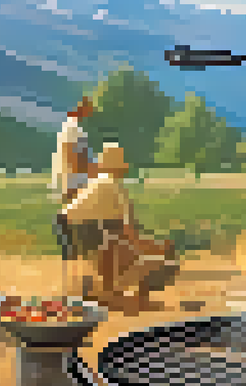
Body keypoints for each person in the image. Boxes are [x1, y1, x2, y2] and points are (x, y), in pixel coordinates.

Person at [61, 142, 174, 303]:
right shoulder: (112, 185)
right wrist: (156, 248)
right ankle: (112, 292)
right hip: (81, 226)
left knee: (113, 239)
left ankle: (106, 289)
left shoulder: (99, 181)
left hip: (69, 224)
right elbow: (128, 231)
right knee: (116, 242)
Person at [53, 96, 97, 261]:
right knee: (77, 219)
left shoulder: (75, 128)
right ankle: (73, 255)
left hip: (78, 179)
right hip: (75, 180)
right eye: (86, 108)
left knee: (79, 219)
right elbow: (73, 157)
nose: (89, 113)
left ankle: (75, 254)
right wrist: (92, 171)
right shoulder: (71, 129)